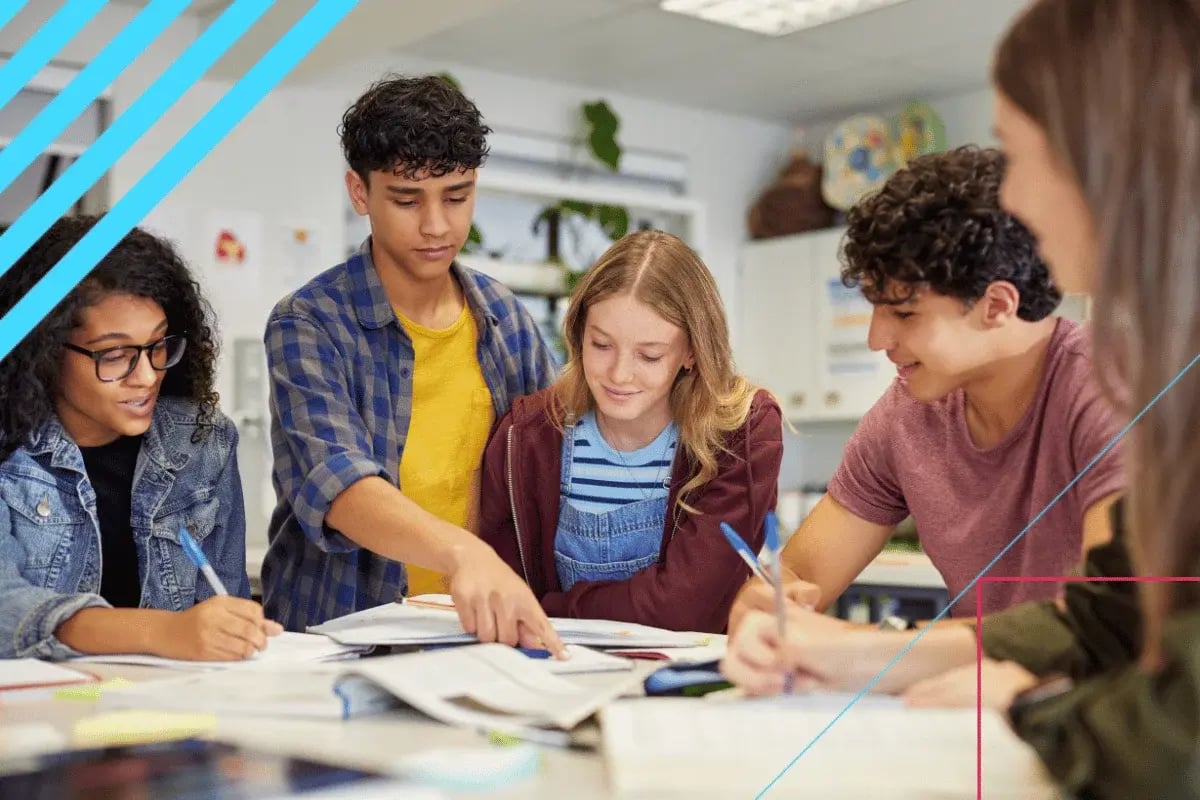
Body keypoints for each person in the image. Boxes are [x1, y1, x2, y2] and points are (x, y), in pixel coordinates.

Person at [723, 1, 1200, 796]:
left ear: (1101, 155)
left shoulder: (1128, 384)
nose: (1011, 198)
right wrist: (850, 652)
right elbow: (1105, 618)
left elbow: (1175, 726)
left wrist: (1037, 707)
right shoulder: (1169, 357)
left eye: (1018, 153)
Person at [730, 145, 1125, 632]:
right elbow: (799, 575)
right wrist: (766, 600)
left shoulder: (1110, 389)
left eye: (903, 313)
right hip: (983, 700)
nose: (877, 340)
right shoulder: (905, 416)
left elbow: (1108, 620)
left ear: (996, 305)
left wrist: (860, 651)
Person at [260, 74, 565, 655]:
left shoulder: (506, 320)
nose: (437, 226)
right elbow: (341, 488)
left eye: (457, 196)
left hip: (472, 640)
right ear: (359, 192)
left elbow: (555, 467)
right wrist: (463, 552)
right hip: (338, 641)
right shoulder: (309, 322)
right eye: (406, 199)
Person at [0, 215, 279, 661]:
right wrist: (162, 632)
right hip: (52, 707)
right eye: (115, 355)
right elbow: (5, 610)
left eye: (158, 346)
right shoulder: (10, 454)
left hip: (163, 706)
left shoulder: (201, 442)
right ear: (44, 351)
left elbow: (224, 600)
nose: (147, 376)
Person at [477, 230, 783, 633]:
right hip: (560, 679)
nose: (619, 374)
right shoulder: (527, 436)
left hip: (688, 686)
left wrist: (549, 610)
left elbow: (680, 606)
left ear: (692, 351)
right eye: (601, 345)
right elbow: (503, 592)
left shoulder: (740, 432)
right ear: (578, 333)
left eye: (649, 355)